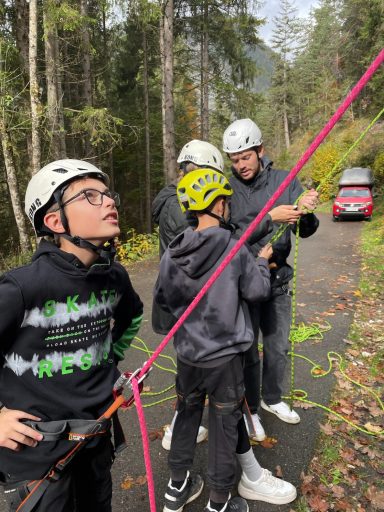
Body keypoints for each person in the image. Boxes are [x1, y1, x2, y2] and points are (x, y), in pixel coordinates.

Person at [0, 159, 143, 511]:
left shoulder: (114, 277)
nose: (109, 201)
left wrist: (108, 366)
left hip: (95, 440)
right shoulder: (22, 287)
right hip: (36, 457)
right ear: (55, 221)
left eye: (108, 194)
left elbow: (133, 316)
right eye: (90, 196)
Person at [154, 169, 297, 512]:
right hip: (225, 359)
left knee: (186, 414)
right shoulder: (233, 249)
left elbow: (164, 298)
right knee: (224, 423)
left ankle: (177, 485)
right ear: (218, 204)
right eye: (227, 202)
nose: (229, 207)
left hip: (188, 355)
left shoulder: (174, 251)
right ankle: (219, 501)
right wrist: (262, 263)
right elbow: (258, 291)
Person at [222, 118, 319, 437]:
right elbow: (228, 237)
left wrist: (307, 210)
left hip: (277, 280)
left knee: (277, 347)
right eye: (234, 160)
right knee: (247, 350)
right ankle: (250, 407)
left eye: (245, 157)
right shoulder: (227, 190)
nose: (240, 165)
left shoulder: (284, 180)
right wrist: (268, 218)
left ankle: (272, 398)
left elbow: (305, 229)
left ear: (260, 150)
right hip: (245, 283)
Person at [152, 139, 224, 449]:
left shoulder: (178, 201)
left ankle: (186, 426)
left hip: (185, 303)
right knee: (191, 374)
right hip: (186, 306)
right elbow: (203, 249)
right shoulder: (178, 206)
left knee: (192, 371)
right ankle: (179, 432)